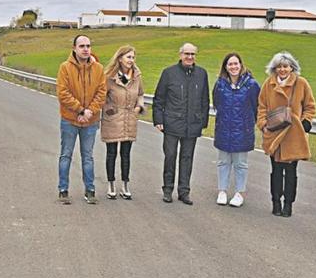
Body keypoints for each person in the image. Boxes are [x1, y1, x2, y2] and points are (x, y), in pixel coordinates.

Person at [257, 51, 316, 217]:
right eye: (279, 67)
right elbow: (261, 107)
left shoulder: (301, 83)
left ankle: (288, 204)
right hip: (274, 134)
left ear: (292, 67)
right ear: (274, 68)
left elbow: (310, 106)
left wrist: (306, 122)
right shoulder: (268, 84)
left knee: (291, 172)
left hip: (293, 135)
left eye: (285, 66)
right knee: (276, 170)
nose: (282, 70)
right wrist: (263, 125)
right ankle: (275, 202)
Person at [153, 43, 209, 205]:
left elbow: (205, 99)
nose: (190, 57)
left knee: (187, 158)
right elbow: (159, 99)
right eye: (187, 54)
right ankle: (168, 189)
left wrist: (203, 121)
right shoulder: (169, 73)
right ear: (180, 54)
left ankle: (184, 191)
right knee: (170, 156)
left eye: (193, 54)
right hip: (172, 123)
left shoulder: (201, 74)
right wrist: (159, 120)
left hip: (192, 124)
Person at [56, 34, 107, 205]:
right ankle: (63, 190)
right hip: (70, 119)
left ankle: (90, 190)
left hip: (90, 121)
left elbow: (102, 92)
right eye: (82, 46)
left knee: (88, 156)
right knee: (66, 155)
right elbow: (63, 93)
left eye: (88, 46)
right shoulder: (65, 67)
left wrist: (90, 112)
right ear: (74, 48)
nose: (85, 49)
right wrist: (80, 109)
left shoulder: (98, 68)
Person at [212, 52, 260, 208]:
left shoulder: (251, 85)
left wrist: (248, 123)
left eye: (236, 63)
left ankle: (240, 193)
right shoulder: (220, 84)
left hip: (242, 130)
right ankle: (222, 191)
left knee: (240, 163)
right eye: (230, 64)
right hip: (224, 128)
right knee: (223, 161)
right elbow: (217, 104)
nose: (233, 67)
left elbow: (256, 107)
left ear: (241, 65)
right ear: (225, 67)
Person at [100, 46, 146, 200]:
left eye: (133, 57)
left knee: (126, 154)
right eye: (128, 57)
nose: (131, 61)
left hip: (129, 119)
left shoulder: (137, 76)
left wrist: (138, 108)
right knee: (111, 153)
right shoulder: (109, 77)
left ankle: (125, 183)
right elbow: (102, 96)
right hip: (113, 119)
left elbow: (140, 94)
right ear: (120, 58)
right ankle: (111, 183)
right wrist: (109, 110)